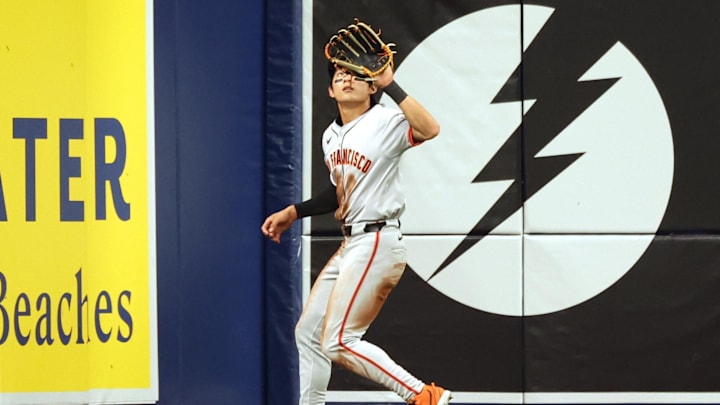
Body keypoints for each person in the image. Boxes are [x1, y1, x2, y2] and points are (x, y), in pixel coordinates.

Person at [261, 56, 451, 405]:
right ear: (330, 90)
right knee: (309, 333)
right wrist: (294, 211)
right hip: (352, 242)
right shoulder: (331, 136)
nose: (346, 79)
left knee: (339, 340)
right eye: (339, 74)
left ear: (371, 87)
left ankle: (423, 396)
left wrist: (391, 84)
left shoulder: (386, 120)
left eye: (355, 75)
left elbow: (430, 129)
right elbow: (340, 192)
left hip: (379, 238)